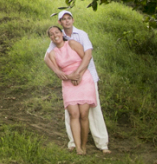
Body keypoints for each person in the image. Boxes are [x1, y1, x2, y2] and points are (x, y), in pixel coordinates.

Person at [44, 10, 111, 153]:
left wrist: (78, 74)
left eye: (69, 18)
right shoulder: (57, 36)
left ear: (73, 20)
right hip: (70, 79)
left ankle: (102, 143)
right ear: (60, 22)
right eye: (63, 19)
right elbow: (47, 58)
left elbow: (88, 55)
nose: (66, 21)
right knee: (72, 113)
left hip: (87, 75)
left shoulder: (80, 35)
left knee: (92, 111)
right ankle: (74, 142)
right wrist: (59, 72)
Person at [46, 25, 95, 155]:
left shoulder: (72, 43)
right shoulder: (52, 53)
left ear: (61, 34)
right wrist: (70, 77)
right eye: (51, 34)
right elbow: (59, 74)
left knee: (84, 114)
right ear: (50, 38)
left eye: (56, 32)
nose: (54, 35)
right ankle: (78, 147)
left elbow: (86, 59)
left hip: (83, 78)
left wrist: (78, 74)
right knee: (74, 114)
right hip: (68, 82)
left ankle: (84, 145)